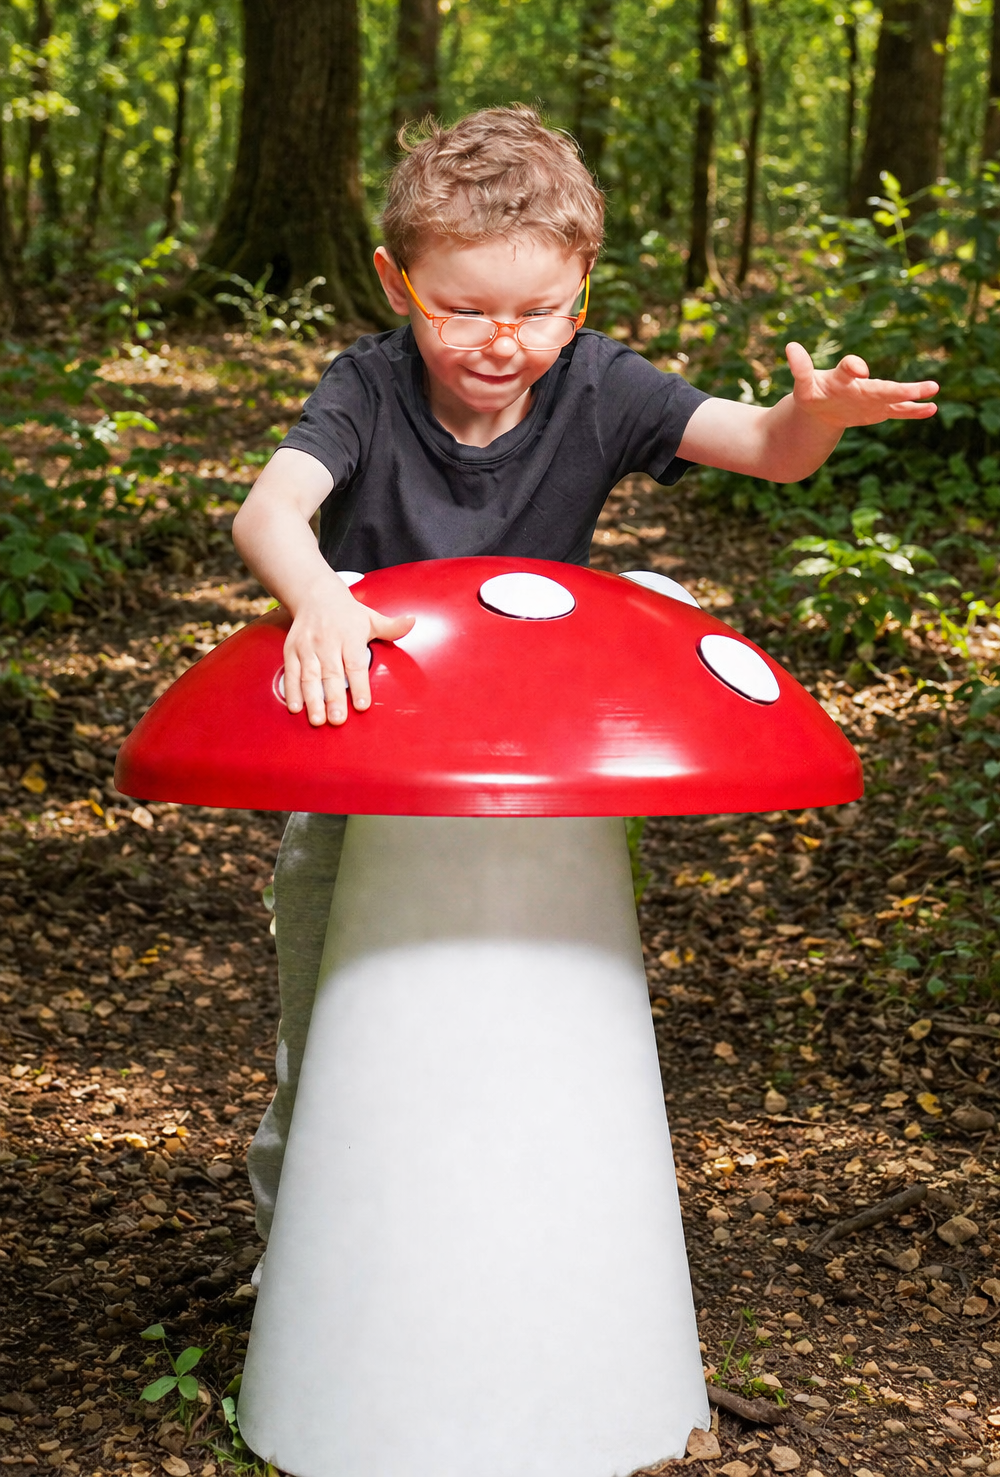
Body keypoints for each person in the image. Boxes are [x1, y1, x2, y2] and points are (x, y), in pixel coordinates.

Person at [232, 104, 938, 1253]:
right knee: (338, 1014)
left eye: (534, 311)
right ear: (395, 280)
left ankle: (525, 1239)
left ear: (584, 293)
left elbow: (763, 449)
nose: (497, 340)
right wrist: (316, 595)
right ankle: (305, 1262)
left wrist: (813, 420)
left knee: (529, 1004)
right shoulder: (365, 389)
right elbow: (270, 510)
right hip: (370, 762)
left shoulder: (598, 387)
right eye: (459, 308)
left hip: (536, 774)